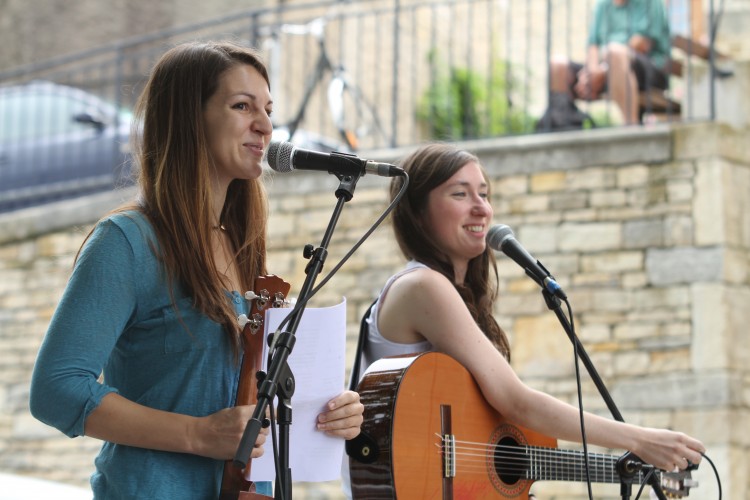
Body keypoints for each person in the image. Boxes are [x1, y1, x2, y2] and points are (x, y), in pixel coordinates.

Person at [29, 40, 363, 499]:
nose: (265, 126)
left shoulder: (242, 247)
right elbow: (56, 389)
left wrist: (326, 412)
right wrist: (197, 434)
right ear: (190, 117)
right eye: (242, 106)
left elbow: (243, 401)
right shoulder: (127, 242)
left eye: (268, 109)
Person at [344, 142, 704, 497]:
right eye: (460, 194)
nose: (481, 208)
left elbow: (490, 429)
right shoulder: (422, 285)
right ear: (417, 212)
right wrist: (639, 440)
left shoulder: (450, 292)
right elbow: (515, 402)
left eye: (484, 194)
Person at [545, 0, 672, 126]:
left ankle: (631, 130)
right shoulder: (602, 5)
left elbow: (642, 44)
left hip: (647, 70)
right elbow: (593, 45)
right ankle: (563, 128)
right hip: (604, 68)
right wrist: (592, 72)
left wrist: (605, 69)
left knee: (614, 52)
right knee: (557, 66)